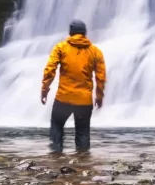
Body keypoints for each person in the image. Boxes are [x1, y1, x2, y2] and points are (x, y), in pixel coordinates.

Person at [41, 19, 106, 153]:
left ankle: (56, 158)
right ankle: (83, 164)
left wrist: (44, 90)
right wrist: (99, 97)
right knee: (82, 132)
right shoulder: (95, 51)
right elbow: (101, 78)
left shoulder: (61, 47)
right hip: (84, 101)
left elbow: (50, 70)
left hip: (63, 99)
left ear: (70, 32)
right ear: (85, 33)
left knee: (57, 127)